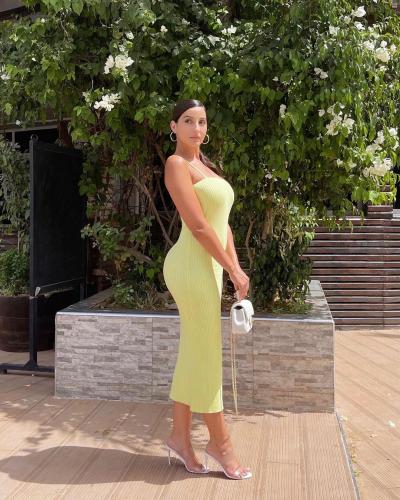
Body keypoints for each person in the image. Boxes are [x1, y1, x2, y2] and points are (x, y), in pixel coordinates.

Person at [162, 99, 252, 480]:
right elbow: (198, 226)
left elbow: (222, 223)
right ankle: (221, 444)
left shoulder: (206, 167)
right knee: (207, 355)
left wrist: (235, 267)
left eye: (201, 122)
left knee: (194, 351)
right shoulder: (176, 165)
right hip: (189, 266)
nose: (196, 128)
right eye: (188, 121)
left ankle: (180, 438)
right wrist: (231, 267)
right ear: (174, 127)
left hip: (210, 266)